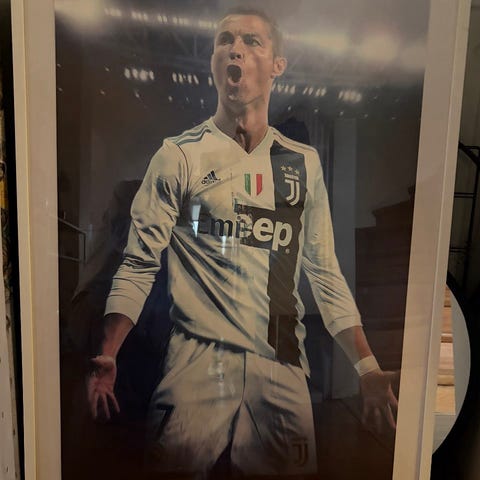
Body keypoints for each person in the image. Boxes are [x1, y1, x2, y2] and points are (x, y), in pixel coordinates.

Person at [87, 6, 398, 478]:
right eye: (225, 40)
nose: (236, 48)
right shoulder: (178, 155)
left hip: (281, 364)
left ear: (277, 64)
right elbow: (138, 263)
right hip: (196, 361)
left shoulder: (302, 163)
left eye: (252, 41)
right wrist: (109, 352)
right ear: (213, 62)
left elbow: (324, 272)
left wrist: (368, 368)